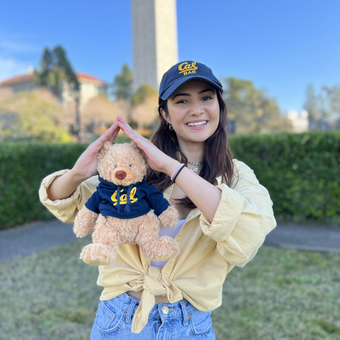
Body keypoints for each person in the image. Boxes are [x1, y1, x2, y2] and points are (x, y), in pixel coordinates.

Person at [39, 60, 276, 339]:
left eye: (206, 98)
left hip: (191, 324)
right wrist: (78, 173)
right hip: (121, 319)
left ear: (220, 107)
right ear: (165, 113)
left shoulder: (236, 174)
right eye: (182, 101)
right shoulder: (136, 164)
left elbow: (249, 233)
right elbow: (64, 202)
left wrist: (173, 168)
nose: (196, 109)